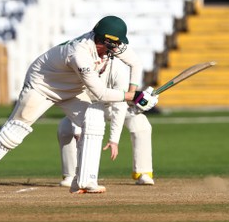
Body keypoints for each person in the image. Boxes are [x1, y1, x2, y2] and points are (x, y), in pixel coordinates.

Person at [0, 15, 159, 193]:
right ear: (104, 41)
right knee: (16, 130)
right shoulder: (79, 54)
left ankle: (85, 180)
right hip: (43, 85)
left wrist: (133, 92)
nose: (117, 49)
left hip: (72, 90)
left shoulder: (108, 45)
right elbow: (99, 92)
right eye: (114, 45)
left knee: (94, 118)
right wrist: (134, 97)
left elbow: (136, 63)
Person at [57, 57, 155, 188]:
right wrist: (78, 128)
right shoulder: (79, 67)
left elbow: (119, 106)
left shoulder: (118, 69)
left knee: (141, 124)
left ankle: (143, 173)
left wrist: (114, 140)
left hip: (113, 105)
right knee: (65, 128)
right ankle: (70, 175)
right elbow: (74, 99)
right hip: (87, 107)